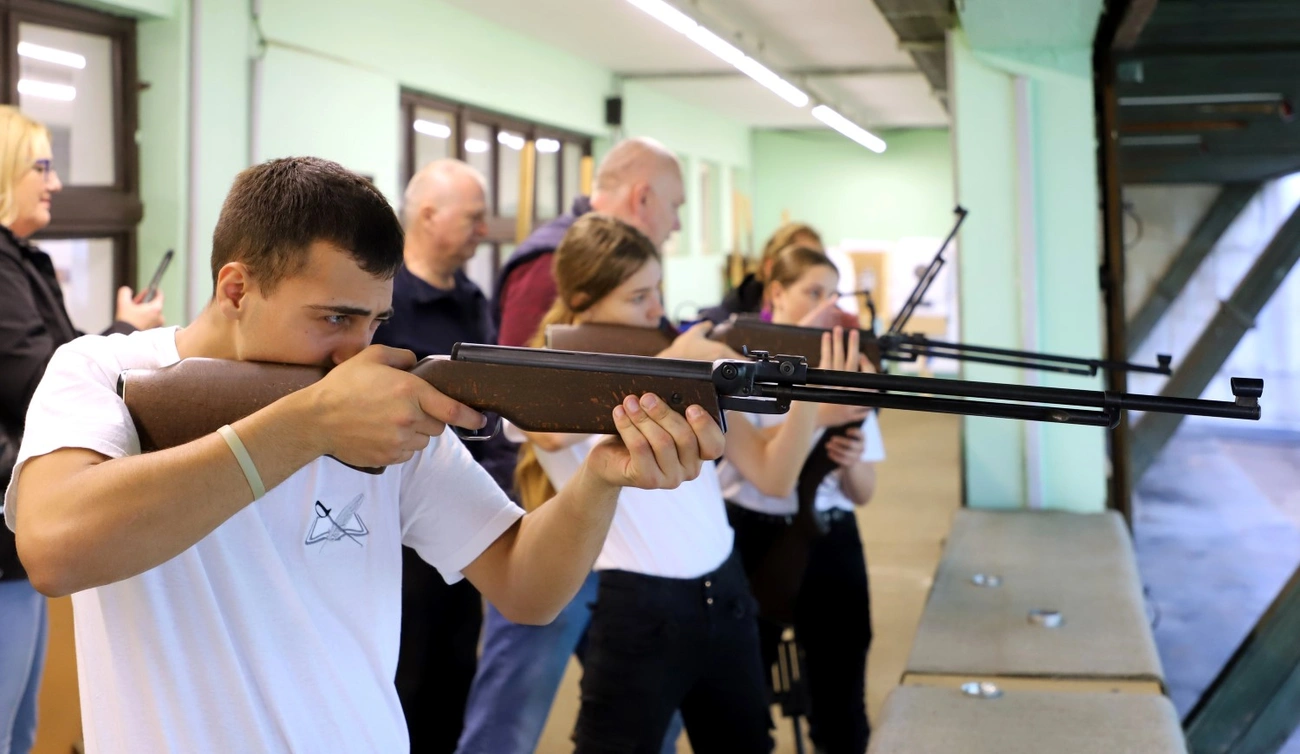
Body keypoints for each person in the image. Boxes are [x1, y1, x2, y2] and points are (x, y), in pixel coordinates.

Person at [4, 157, 723, 754]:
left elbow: (526, 588)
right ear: (236, 287)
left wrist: (601, 482)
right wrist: (307, 425)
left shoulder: (385, 414)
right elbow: (55, 548)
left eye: (374, 321)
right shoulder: (98, 371)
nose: (358, 350)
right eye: (334, 319)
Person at [468, 214, 865, 754]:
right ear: (583, 300)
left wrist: (808, 391)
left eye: (659, 291)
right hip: (637, 611)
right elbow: (553, 436)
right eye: (638, 297)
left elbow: (773, 478)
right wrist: (672, 363)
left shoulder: (672, 358)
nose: (657, 311)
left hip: (728, 596)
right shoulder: (546, 378)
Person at [0, 106, 163, 754]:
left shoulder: (20, 262)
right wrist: (123, 339)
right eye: (42, 164)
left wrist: (119, 335)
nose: (56, 182)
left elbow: (58, 363)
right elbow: (41, 381)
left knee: (20, 726)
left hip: (14, 544)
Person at [371, 159, 515, 753]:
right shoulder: (387, 305)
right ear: (427, 216)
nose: (485, 229)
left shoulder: (476, 300)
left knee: (456, 680)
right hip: (402, 533)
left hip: (472, 515)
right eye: (473, 217)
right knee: (404, 684)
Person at [718, 245, 885, 754]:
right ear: (776, 295)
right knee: (741, 703)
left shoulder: (845, 367)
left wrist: (853, 456)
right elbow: (766, 470)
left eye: (835, 294)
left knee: (840, 706)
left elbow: (864, 492)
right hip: (753, 538)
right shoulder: (736, 365)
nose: (829, 306)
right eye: (814, 292)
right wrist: (816, 415)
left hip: (830, 538)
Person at [492, 136, 684, 347]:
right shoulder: (547, 263)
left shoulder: (633, 261)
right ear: (642, 199)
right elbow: (519, 375)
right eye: (674, 206)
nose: (677, 225)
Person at [698, 221, 824, 324]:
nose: (815, 273)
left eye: (819, 261)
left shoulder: (831, 319)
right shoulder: (727, 320)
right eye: (801, 263)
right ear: (770, 267)